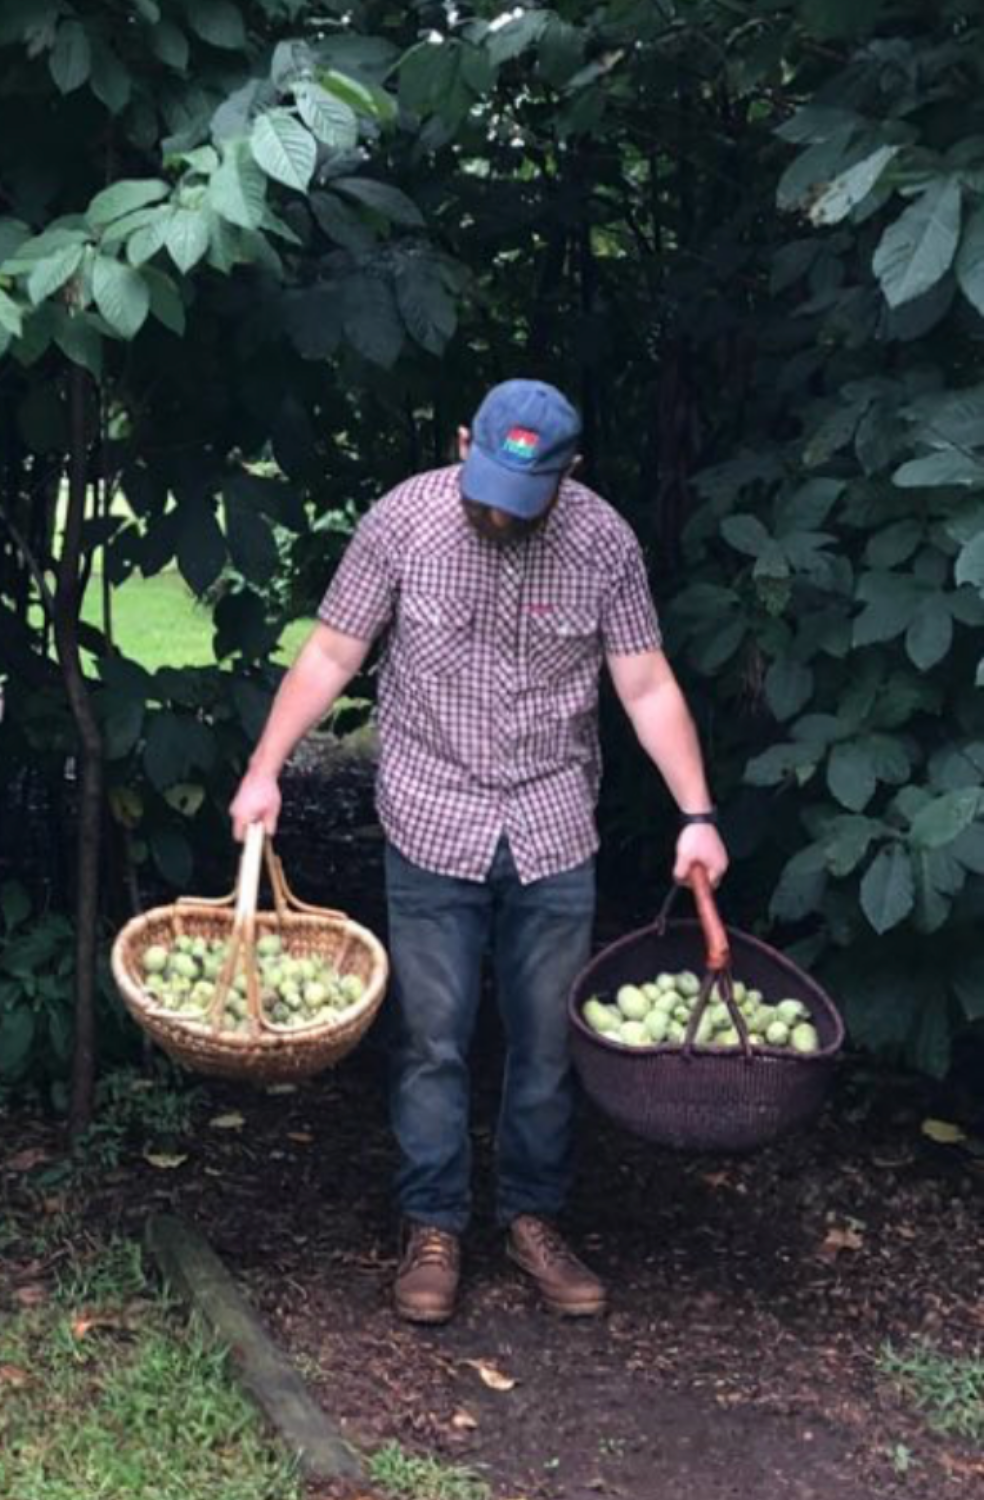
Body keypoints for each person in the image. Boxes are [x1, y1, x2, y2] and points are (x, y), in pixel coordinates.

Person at [226, 379, 730, 1324]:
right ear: (465, 442)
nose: (500, 511)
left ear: (570, 473)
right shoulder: (402, 523)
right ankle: (433, 1226)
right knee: (432, 1036)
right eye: (487, 484)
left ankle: (534, 1219)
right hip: (430, 811)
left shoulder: (603, 541)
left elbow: (646, 682)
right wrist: (265, 769)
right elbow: (333, 652)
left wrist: (696, 813)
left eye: (526, 496)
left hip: (551, 822)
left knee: (548, 1042)